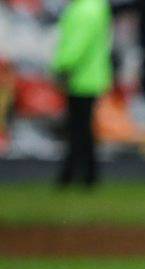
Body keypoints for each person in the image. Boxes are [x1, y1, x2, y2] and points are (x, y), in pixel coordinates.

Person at [52, 0, 112, 188]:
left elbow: (77, 43)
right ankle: (85, 175)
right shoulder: (96, 6)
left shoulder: (84, 10)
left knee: (78, 130)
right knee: (83, 129)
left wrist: (63, 65)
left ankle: (75, 174)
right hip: (92, 76)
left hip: (81, 78)